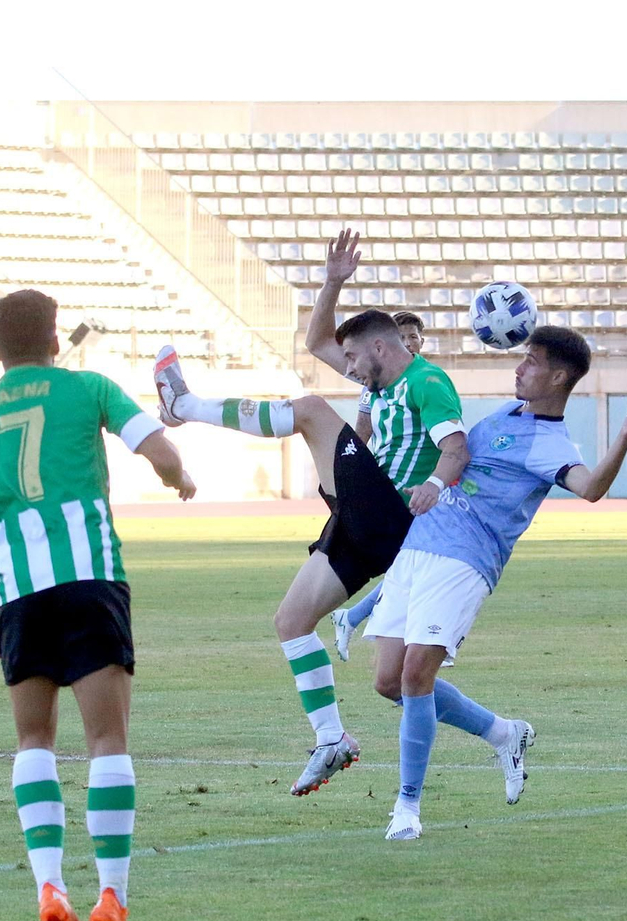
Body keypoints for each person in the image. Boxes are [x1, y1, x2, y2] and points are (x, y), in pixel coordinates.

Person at [0, 288, 195, 921]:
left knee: (34, 739)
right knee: (107, 739)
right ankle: (112, 897)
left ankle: (48, 887)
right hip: (90, 578)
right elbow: (157, 450)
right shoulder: (89, 386)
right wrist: (177, 477)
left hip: (18, 591)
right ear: (55, 338)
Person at [153, 230, 468, 796]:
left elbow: (456, 449)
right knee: (291, 620)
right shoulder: (377, 379)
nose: (345, 365)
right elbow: (318, 337)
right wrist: (332, 282)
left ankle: (185, 407)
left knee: (313, 410)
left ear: (379, 348)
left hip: (391, 513)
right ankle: (331, 739)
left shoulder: (427, 381)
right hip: (360, 519)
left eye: (352, 357)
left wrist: (435, 484)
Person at [374, 326, 627, 840]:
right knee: (387, 682)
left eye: (531, 362)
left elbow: (591, 489)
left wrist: (622, 436)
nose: (518, 368)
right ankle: (504, 732)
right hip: (422, 544)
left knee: (414, 679)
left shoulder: (551, 443)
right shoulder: (506, 415)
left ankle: (407, 808)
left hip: (465, 561)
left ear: (558, 377)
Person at [330, 309, 428, 661]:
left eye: (414, 336)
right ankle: (430, 639)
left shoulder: (426, 380)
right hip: (400, 497)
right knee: (422, 565)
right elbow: (362, 434)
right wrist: (355, 481)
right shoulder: (375, 387)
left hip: (426, 493)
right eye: (402, 337)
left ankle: (354, 617)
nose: (409, 342)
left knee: (416, 566)